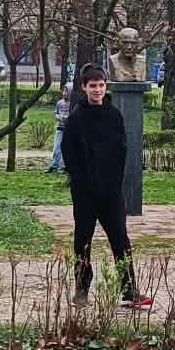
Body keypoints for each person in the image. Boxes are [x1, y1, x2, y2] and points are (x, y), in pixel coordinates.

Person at [59, 66, 150, 309]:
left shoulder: (114, 116)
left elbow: (121, 151)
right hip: (85, 193)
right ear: (84, 88)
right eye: (92, 86)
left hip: (111, 193)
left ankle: (129, 290)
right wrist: (82, 181)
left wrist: (113, 183)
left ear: (106, 86)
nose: (97, 90)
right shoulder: (76, 118)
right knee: (83, 240)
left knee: (120, 239)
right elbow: (69, 153)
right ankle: (81, 289)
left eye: (101, 85)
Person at [47, 85, 74, 173]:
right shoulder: (59, 103)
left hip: (68, 129)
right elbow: (56, 114)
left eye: (66, 91)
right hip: (59, 128)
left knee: (66, 148)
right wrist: (58, 117)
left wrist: (67, 118)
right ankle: (54, 165)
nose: (64, 93)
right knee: (57, 147)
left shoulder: (72, 104)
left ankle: (64, 166)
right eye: (63, 91)